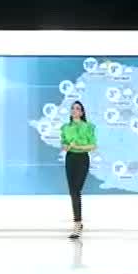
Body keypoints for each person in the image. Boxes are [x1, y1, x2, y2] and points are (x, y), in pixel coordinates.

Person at [60, 100, 96, 239]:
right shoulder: (65, 127)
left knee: (76, 190)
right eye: (72, 108)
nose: (74, 110)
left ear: (82, 112)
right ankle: (78, 223)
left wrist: (78, 147)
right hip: (70, 159)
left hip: (82, 159)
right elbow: (63, 144)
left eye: (77, 108)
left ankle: (78, 224)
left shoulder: (88, 127)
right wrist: (67, 147)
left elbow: (92, 146)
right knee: (73, 192)